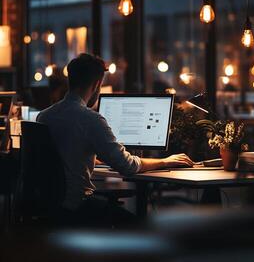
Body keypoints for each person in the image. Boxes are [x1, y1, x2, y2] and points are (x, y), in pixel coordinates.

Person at [37, 53, 193, 227]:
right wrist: (165, 161)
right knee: (141, 227)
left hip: (50, 205)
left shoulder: (44, 116)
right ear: (97, 84)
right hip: (79, 207)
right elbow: (128, 166)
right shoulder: (90, 119)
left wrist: (95, 157)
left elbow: (63, 153)